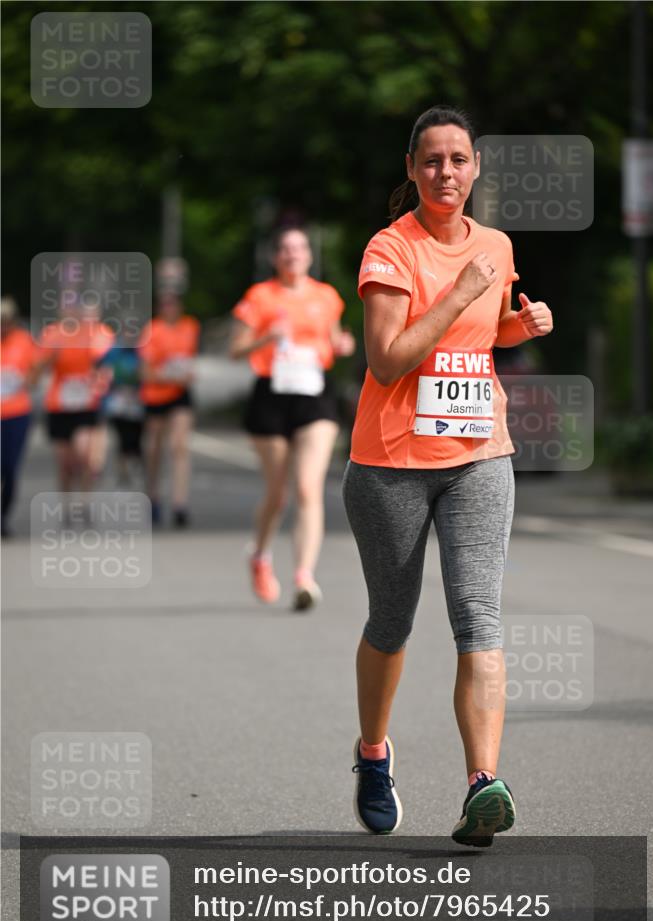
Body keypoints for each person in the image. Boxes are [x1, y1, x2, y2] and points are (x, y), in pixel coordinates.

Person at [342, 106, 553, 845]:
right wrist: (461, 292)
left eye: (458, 159)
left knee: (478, 616)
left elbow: (481, 333)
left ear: (474, 168)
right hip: (390, 464)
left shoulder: (494, 243)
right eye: (431, 160)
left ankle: (481, 785)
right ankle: (373, 755)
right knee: (391, 622)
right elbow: (389, 359)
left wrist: (513, 328)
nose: (446, 173)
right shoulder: (389, 250)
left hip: (477, 454)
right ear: (411, 169)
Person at [229, 226, 355, 610]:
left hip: (313, 393)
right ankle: (261, 556)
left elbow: (335, 338)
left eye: (299, 248)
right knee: (279, 492)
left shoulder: (325, 296)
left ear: (309, 256)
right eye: (285, 249)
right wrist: (267, 338)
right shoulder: (260, 297)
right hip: (271, 394)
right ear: (275, 257)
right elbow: (235, 350)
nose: (292, 254)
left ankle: (304, 576)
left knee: (307, 487)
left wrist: (341, 344)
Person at [38, 299, 114, 509]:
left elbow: (103, 358)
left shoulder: (93, 332)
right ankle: (66, 503)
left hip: (86, 403)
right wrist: (54, 350)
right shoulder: (52, 333)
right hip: (59, 404)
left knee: (85, 454)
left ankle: (85, 500)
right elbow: (42, 366)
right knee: (65, 463)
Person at [138, 294, 199, 527]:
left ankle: (179, 503)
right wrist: (168, 376)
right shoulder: (152, 330)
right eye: (165, 305)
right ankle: (153, 495)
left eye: (173, 304)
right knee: (154, 448)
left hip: (180, 395)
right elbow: (145, 372)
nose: (169, 309)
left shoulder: (190, 326)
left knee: (180, 446)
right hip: (155, 395)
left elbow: (189, 359)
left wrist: (187, 374)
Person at [0, 297, 42, 537]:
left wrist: (23, 380)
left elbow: (35, 373)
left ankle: (3, 516)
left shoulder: (23, 341)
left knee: (9, 467)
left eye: (6, 322)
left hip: (16, 412)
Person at [97, 339, 145, 486]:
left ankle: (135, 463)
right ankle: (123, 470)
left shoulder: (143, 349)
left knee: (137, 436)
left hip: (138, 400)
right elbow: (101, 367)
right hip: (117, 400)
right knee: (122, 435)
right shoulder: (114, 350)